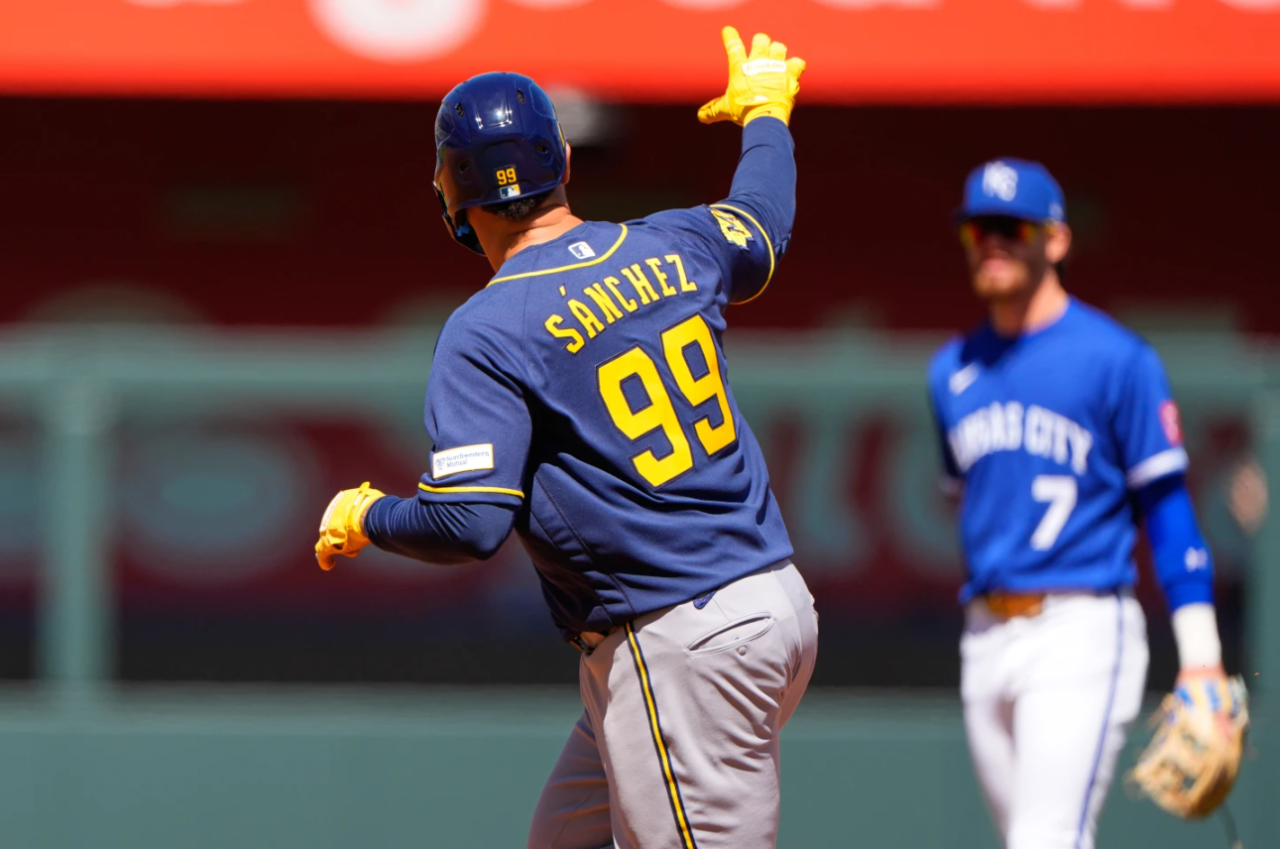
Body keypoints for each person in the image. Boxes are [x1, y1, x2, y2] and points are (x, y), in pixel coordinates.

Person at [314, 27, 817, 849]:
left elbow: (468, 522)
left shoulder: (488, 326)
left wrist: (367, 514)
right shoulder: (669, 242)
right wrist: (766, 117)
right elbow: (761, 224)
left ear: (452, 194)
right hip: (771, 604)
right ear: (565, 165)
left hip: (679, 634)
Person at [927, 158, 1241, 849]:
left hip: (1078, 625)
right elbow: (969, 503)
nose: (992, 242)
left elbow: (1167, 508)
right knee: (1035, 837)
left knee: (1044, 838)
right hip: (984, 632)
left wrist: (1201, 656)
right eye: (978, 229)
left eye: (1012, 228)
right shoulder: (951, 370)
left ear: (1057, 240)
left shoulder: (1117, 358)